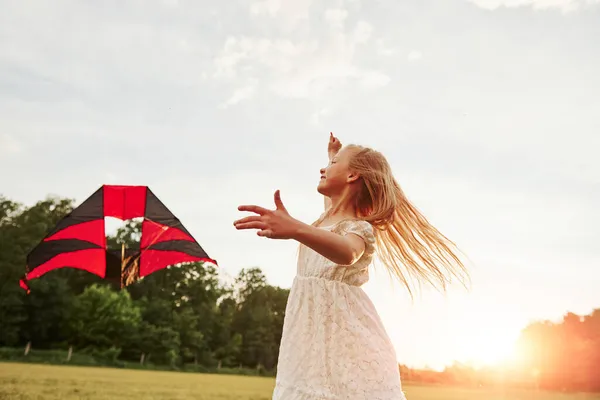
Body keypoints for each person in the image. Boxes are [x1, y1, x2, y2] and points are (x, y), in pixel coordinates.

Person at [234, 133, 468, 400]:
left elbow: (347, 253)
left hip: (344, 337)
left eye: (333, 164)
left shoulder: (359, 228)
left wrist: (295, 228)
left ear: (352, 176)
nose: (324, 169)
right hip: (309, 336)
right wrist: (333, 154)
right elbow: (335, 212)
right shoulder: (328, 219)